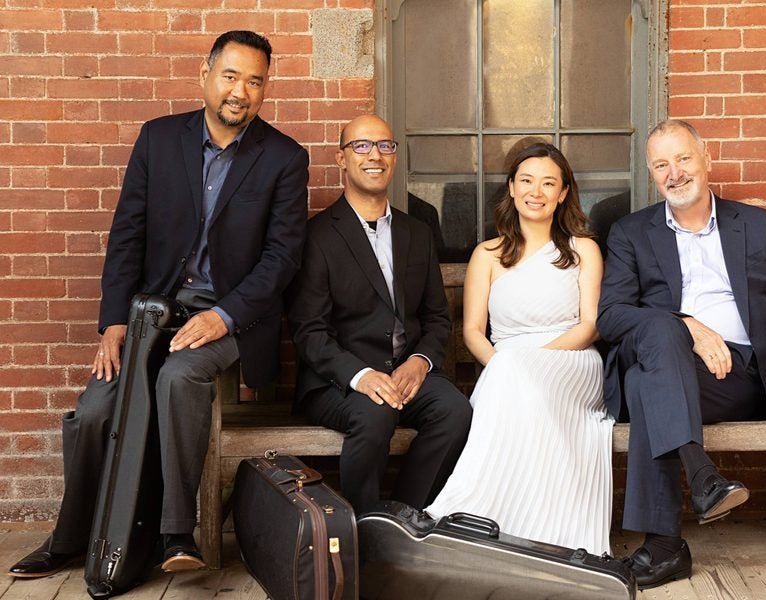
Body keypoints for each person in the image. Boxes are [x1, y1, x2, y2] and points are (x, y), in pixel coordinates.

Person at [7, 31, 308, 578]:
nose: (241, 90)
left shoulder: (284, 158)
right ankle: (70, 538)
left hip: (232, 317)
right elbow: (127, 236)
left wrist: (222, 317)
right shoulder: (158, 139)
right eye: (231, 75)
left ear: (266, 88)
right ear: (206, 73)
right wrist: (114, 322)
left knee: (178, 377)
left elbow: (281, 260)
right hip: (151, 315)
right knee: (96, 409)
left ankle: (176, 534)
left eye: (255, 80)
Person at [597, 119, 766, 589]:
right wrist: (689, 327)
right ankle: (703, 479)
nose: (674, 173)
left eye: (682, 159)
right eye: (661, 165)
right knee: (658, 339)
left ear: (706, 160)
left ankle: (664, 546)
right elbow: (612, 316)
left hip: (733, 377)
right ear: (651, 174)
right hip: (666, 359)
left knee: (644, 385)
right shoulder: (630, 233)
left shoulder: (757, 226)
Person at [425, 142, 614, 555]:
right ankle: (491, 518)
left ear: (563, 193)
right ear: (511, 188)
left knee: (523, 378)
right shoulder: (487, 255)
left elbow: (591, 324)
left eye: (549, 183)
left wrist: (531, 362)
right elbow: (473, 331)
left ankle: (504, 518)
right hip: (505, 366)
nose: (537, 191)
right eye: (527, 181)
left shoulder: (583, 248)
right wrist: (504, 368)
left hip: (571, 361)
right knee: (517, 381)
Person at [286, 115, 472, 515]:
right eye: (362, 146)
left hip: (407, 374)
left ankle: (402, 519)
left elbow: (438, 317)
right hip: (337, 382)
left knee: (456, 411)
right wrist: (362, 376)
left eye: (385, 146)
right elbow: (310, 331)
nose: (375, 155)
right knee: (376, 410)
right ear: (341, 158)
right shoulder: (316, 237)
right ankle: (364, 529)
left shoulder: (417, 233)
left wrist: (420, 363)